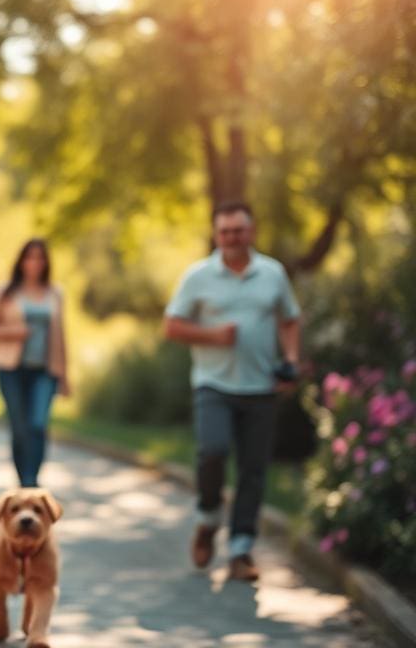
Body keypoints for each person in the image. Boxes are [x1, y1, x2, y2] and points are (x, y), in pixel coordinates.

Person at [164, 200, 301, 582]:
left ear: (251, 231)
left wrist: (290, 359)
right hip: (213, 384)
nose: (231, 238)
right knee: (213, 451)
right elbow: (172, 326)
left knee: (253, 471)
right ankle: (208, 519)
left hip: (261, 386)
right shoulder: (198, 276)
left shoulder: (272, 274)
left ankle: (241, 549)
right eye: (224, 232)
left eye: (238, 230)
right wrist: (212, 335)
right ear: (216, 234)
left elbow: (290, 319)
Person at [0, 239, 70, 488]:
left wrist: (64, 375)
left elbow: (61, 336)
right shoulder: (6, 291)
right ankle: (24, 482)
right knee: (19, 428)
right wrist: (14, 333)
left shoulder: (55, 293)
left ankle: (32, 481)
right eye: (30, 257)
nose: (35, 262)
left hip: (45, 370)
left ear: (46, 262)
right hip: (11, 369)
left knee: (38, 425)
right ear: (21, 261)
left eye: (40, 257)